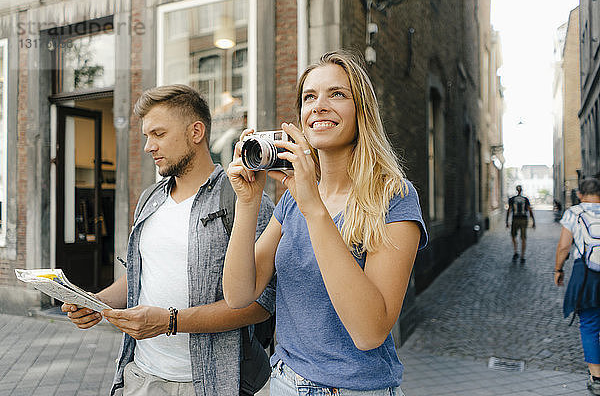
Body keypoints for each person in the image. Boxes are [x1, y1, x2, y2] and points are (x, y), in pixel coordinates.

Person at [222, 50, 428, 395]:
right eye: (308, 97)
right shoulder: (293, 198)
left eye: (337, 94)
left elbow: (369, 332)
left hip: (354, 389)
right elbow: (239, 294)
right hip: (285, 381)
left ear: (361, 112)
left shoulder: (393, 197)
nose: (318, 106)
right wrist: (248, 201)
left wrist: (314, 209)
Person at [61, 84, 275, 396]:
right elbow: (142, 271)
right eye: (147, 136)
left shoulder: (242, 199)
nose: (149, 146)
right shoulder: (150, 198)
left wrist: (171, 322)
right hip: (142, 375)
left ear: (196, 132)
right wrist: (99, 303)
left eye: (158, 134)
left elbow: (262, 304)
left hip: (214, 382)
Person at [554, 178, 600, 395]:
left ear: (580, 194)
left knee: (589, 324)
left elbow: (564, 246)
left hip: (586, 274)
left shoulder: (574, 213)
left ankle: (597, 377)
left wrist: (558, 269)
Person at [506, 185, 535, 263]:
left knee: (514, 236)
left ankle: (517, 252)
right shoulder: (525, 199)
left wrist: (507, 221)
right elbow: (529, 210)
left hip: (516, 219)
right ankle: (521, 255)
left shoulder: (512, 199)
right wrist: (533, 221)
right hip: (523, 219)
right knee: (522, 238)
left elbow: (509, 210)